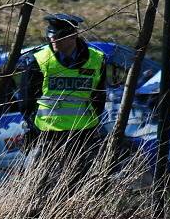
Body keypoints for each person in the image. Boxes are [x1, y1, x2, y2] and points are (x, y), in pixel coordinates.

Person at [19, 13, 107, 170]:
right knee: (41, 186)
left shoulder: (97, 60)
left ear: (73, 36)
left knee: (80, 185)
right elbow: (26, 102)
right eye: (50, 35)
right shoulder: (38, 60)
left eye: (58, 36)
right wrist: (34, 128)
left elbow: (99, 97)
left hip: (82, 136)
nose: (52, 39)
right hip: (47, 136)